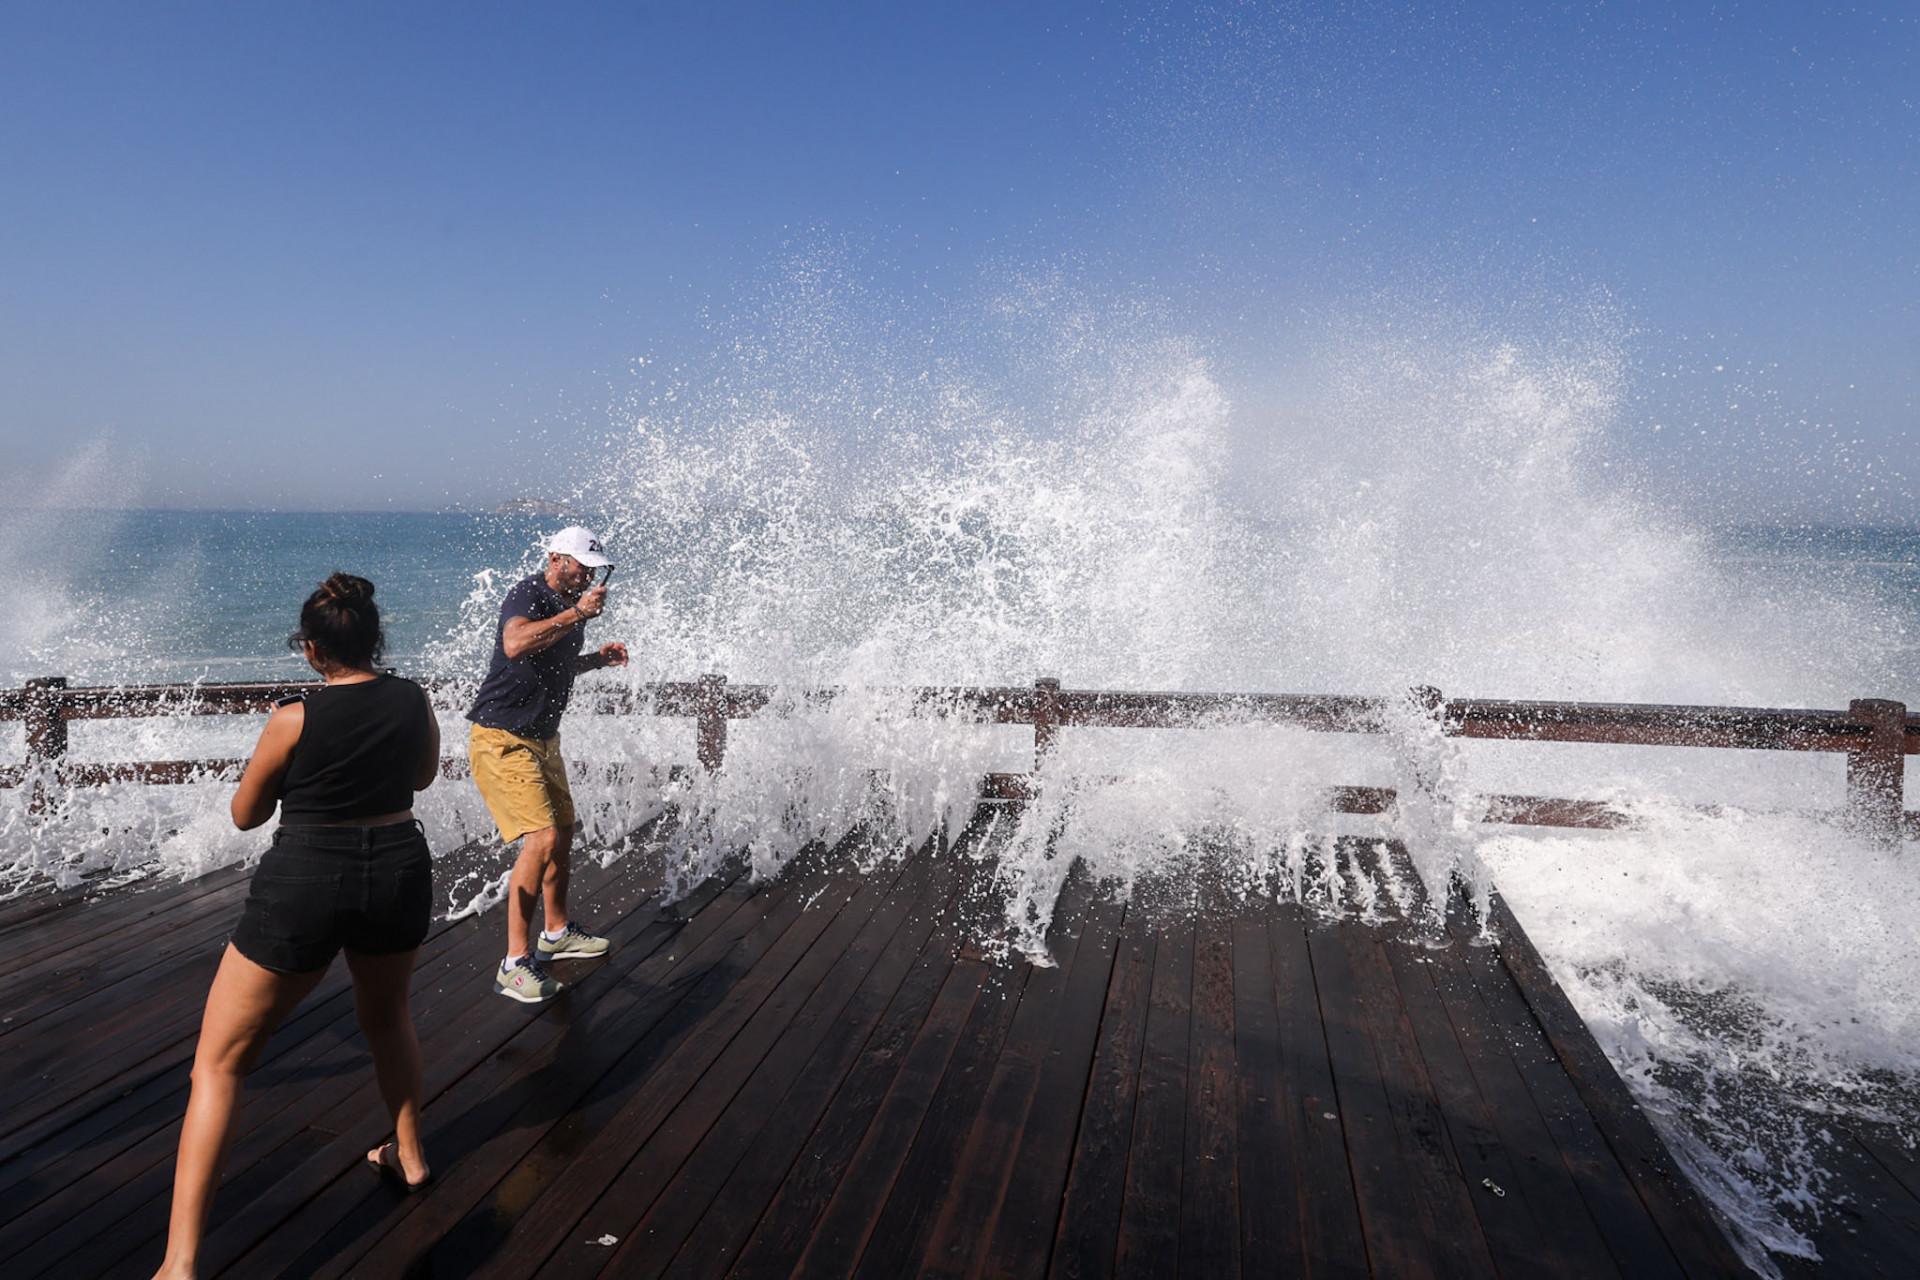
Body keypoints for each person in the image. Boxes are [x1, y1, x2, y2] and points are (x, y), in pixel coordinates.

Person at [153, 574, 440, 1280]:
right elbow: (425, 777)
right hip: (399, 865)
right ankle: (410, 1156)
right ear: (375, 638)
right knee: (387, 1014)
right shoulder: (413, 698)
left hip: (309, 876)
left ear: (312, 650)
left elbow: (246, 816)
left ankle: (180, 1265)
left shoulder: (293, 716)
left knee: (217, 1066)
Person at [467, 526, 628, 1003]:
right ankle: (513, 965)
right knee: (539, 839)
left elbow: (551, 661)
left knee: (563, 831)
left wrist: (595, 660)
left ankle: (555, 934)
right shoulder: (529, 593)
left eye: (597, 569)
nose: (590, 576)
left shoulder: (571, 603)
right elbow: (515, 644)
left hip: (542, 739)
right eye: (583, 567)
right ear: (557, 559)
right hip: (502, 739)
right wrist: (576, 613)